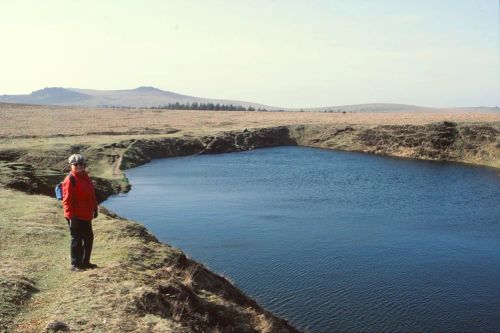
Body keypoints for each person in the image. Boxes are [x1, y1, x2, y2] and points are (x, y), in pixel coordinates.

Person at [62, 154, 99, 272]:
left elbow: (91, 194)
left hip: (86, 214)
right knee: (77, 239)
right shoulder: (70, 179)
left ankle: (85, 262)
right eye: (76, 165)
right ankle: (75, 265)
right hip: (75, 215)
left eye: (81, 164)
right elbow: (67, 200)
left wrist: (95, 207)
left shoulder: (85, 177)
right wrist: (71, 217)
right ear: (71, 166)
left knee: (88, 238)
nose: (79, 166)